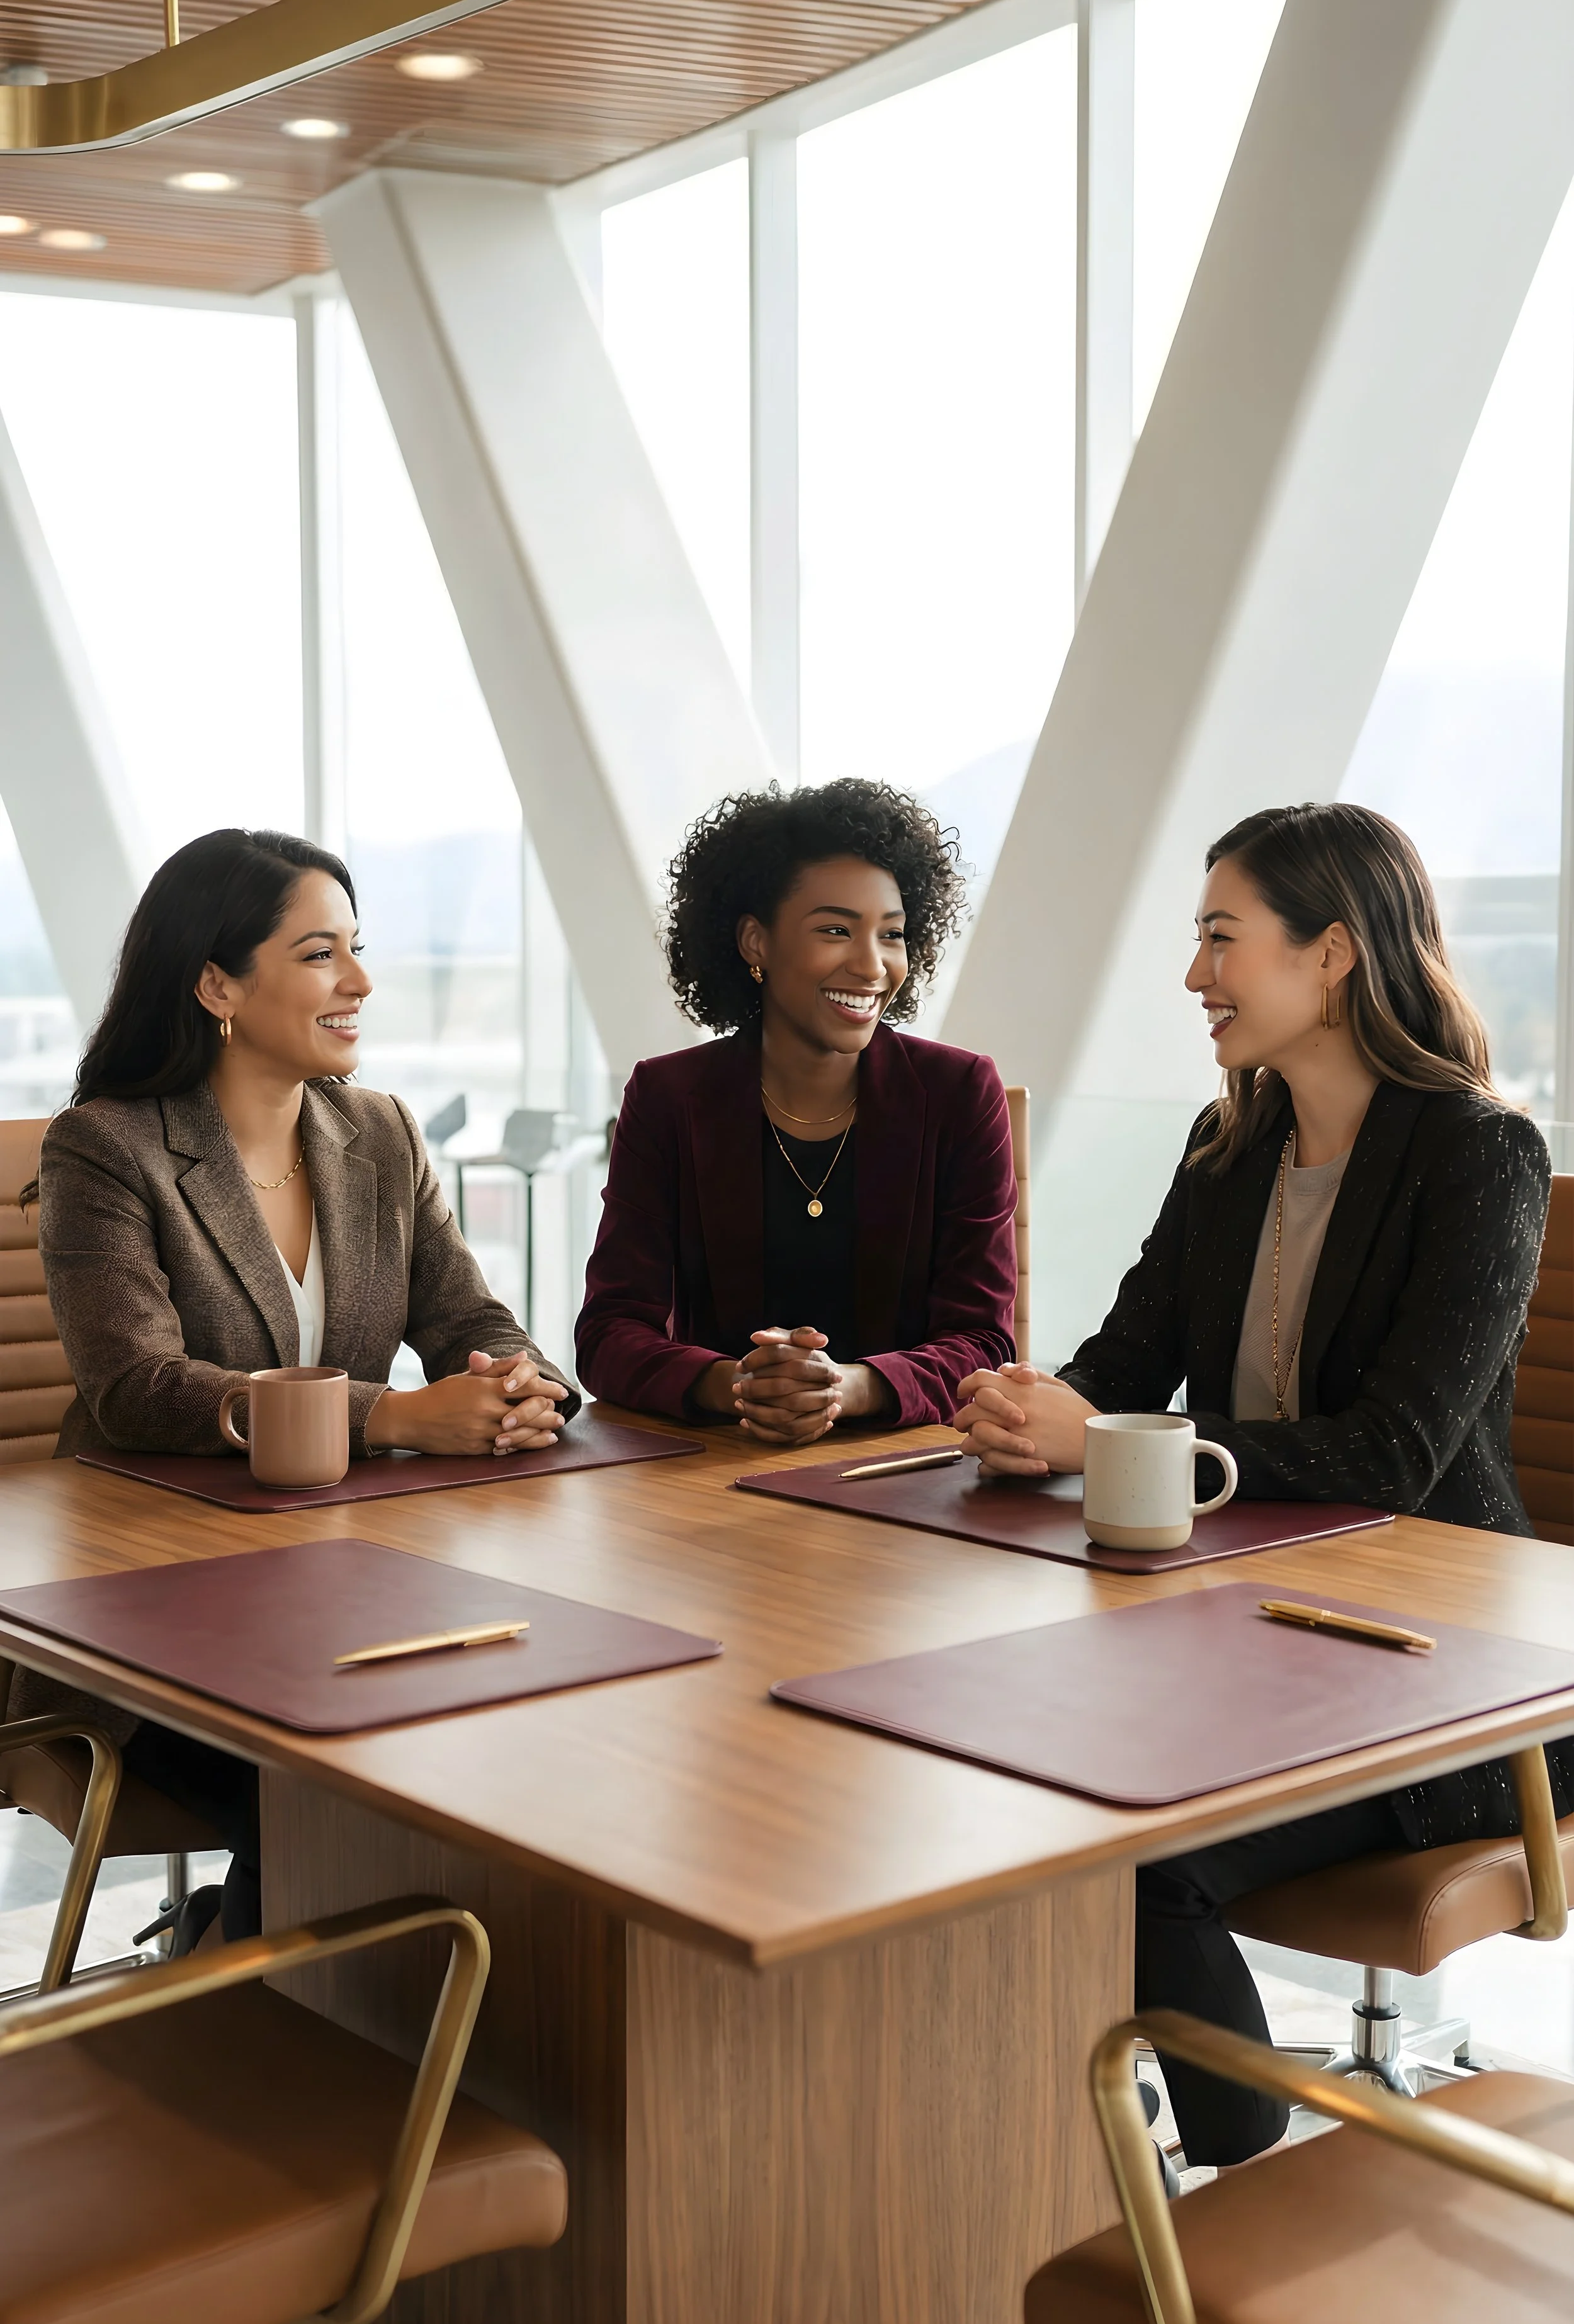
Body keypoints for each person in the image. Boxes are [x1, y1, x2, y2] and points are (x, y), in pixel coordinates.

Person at [954, 801, 1561, 2168]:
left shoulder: (1476, 1157)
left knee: (1133, 1856)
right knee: (1022, 1783)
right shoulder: (1225, 1150)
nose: (1193, 977)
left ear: (1333, 952)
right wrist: (1028, 1404)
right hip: (1255, 1646)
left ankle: (1249, 2165)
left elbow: (1389, 1454)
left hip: (1449, 1680)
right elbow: (1122, 1362)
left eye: (1219, 939)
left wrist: (1110, 1445)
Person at [28, 826, 578, 1943]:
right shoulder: (105, 1146)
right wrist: (397, 1417)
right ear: (218, 982)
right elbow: (139, 1385)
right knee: (361, 1774)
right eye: (322, 953)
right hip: (158, 1605)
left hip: (346, 1588)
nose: (362, 982)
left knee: (513, 1725)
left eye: (358, 950)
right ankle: (257, 2010)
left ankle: (341, 1991)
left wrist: (528, 1387)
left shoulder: (374, 1130)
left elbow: (469, 1317)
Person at [575, 777, 1017, 1442]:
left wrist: (850, 1386)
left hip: (907, 1470)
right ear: (756, 944)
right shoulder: (670, 1098)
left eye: (891, 935)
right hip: (713, 1472)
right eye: (836, 930)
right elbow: (609, 1333)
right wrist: (737, 1386)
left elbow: (984, 1340)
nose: (872, 966)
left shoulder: (958, 1093)